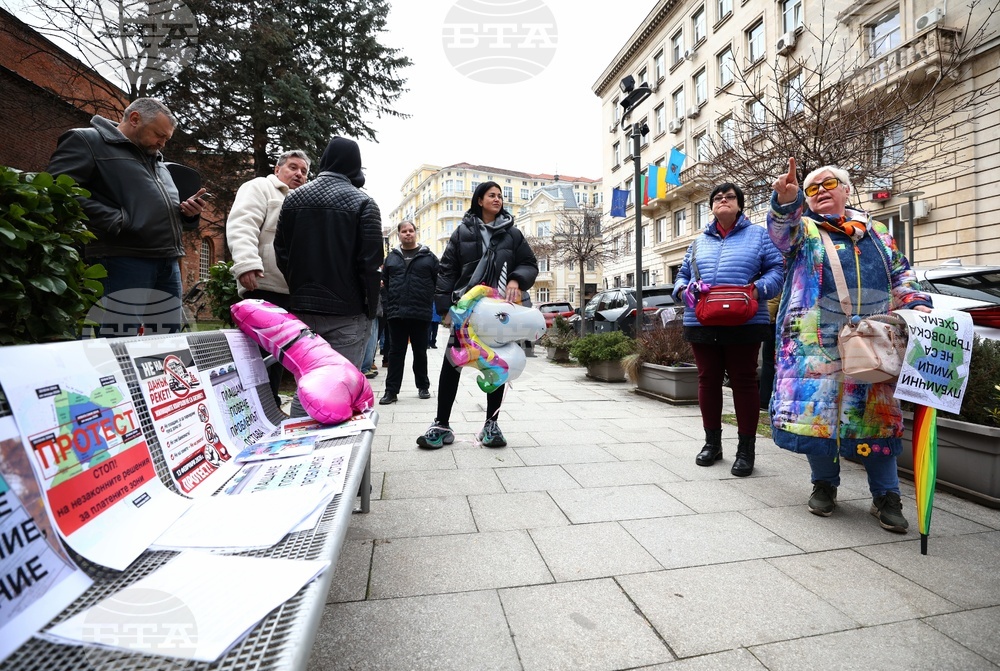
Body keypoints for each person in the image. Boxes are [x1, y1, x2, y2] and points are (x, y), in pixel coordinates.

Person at [768, 158, 933, 532]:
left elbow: (901, 274)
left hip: (875, 342)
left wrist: (918, 305)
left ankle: (886, 496)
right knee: (820, 418)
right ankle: (824, 486)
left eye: (829, 184)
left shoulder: (878, 235)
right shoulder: (804, 232)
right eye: (812, 189)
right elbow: (781, 233)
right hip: (816, 344)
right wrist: (786, 202)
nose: (821, 191)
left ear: (846, 190)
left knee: (875, 417)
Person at [47, 97, 207, 336]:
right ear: (134, 119)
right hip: (121, 257)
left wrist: (187, 214)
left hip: (167, 259)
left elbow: (155, 206)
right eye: (159, 135)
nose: (162, 143)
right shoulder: (87, 141)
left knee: (166, 341)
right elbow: (59, 191)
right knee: (120, 339)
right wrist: (118, 220)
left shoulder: (154, 156)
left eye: (166, 138)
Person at [672, 182, 784, 477]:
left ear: (740, 204)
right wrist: (684, 290)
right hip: (702, 320)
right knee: (707, 380)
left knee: (744, 381)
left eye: (730, 196)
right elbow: (682, 275)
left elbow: (777, 270)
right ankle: (712, 444)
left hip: (745, 320)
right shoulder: (697, 243)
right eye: (718, 198)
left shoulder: (759, 236)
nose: (723, 200)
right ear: (711, 207)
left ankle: (746, 449)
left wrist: (759, 290)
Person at [417, 181, 538, 449]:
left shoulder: (513, 234)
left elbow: (529, 263)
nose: (498, 199)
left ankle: (491, 425)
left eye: (500, 196)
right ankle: (441, 424)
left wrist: (517, 280)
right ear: (479, 200)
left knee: (496, 363)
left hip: (497, 313)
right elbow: (447, 270)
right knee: (453, 362)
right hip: (466, 309)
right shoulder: (462, 232)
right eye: (491, 195)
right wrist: (445, 308)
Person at [274, 137, 383, 416]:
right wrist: (371, 309)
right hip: (348, 312)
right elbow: (370, 265)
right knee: (340, 388)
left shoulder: (293, 199)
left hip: (303, 310)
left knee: (306, 385)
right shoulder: (364, 204)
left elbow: (282, 252)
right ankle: (334, 454)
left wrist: (298, 289)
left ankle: (295, 446)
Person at [226, 149, 310, 404]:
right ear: (277, 169)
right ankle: (251, 406)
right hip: (262, 284)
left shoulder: (305, 199)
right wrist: (246, 263)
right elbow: (243, 224)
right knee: (256, 354)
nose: (298, 174)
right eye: (293, 167)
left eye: (304, 171)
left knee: (280, 355)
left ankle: (269, 405)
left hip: (292, 290)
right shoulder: (260, 187)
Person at [379, 221, 440, 404]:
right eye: (404, 231)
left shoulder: (429, 257)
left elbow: (438, 283)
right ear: (398, 235)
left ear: (416, 233)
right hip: (396, 313)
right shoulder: (391, 258)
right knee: (395, 353)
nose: (408, 234)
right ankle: (391, 391)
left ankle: (423, 386)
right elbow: (386, 283)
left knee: (420, 352)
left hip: (420, 313)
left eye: (411, 230)